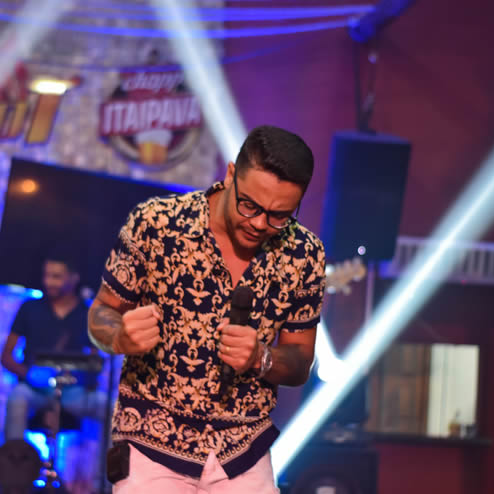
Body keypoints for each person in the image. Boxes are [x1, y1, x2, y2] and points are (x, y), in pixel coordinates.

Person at [88, 125, 326, 493]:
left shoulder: (305, 255)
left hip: (242, 449)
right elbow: (101, 312)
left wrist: (261, 358)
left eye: (279, 215)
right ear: (231, 174)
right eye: (250, 205)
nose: (260, 223)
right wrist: (119, 335)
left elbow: (300, 362)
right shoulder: (156, 224)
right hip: (152, 443)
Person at [1, 253, 107, 441]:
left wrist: (83, 377)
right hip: (34, 389)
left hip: (73, 392)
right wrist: (29, 374)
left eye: (56, 276)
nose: (48, 282)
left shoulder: (88, 313)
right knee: (17, 398)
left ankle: (113, 460)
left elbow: (94, 360)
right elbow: (6, 357)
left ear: (73, 278)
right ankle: (14, 457)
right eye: (46, 275)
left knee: (110, 407)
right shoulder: (29, 308)